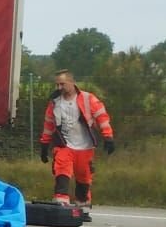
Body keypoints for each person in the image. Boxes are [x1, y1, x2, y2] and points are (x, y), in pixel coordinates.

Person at [39, 69, 114, 209]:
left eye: (62, 84)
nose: (59, 88)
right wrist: (44, 144)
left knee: (84, 177)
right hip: (64, 145)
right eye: (57, 85)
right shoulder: (55, 102)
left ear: (72, 82)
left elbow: (102, 117)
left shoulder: (88, 98)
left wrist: (108, 137)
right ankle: (61, 201)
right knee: (62, 169)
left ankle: (82, 204)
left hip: (85, 146)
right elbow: (49, 124)